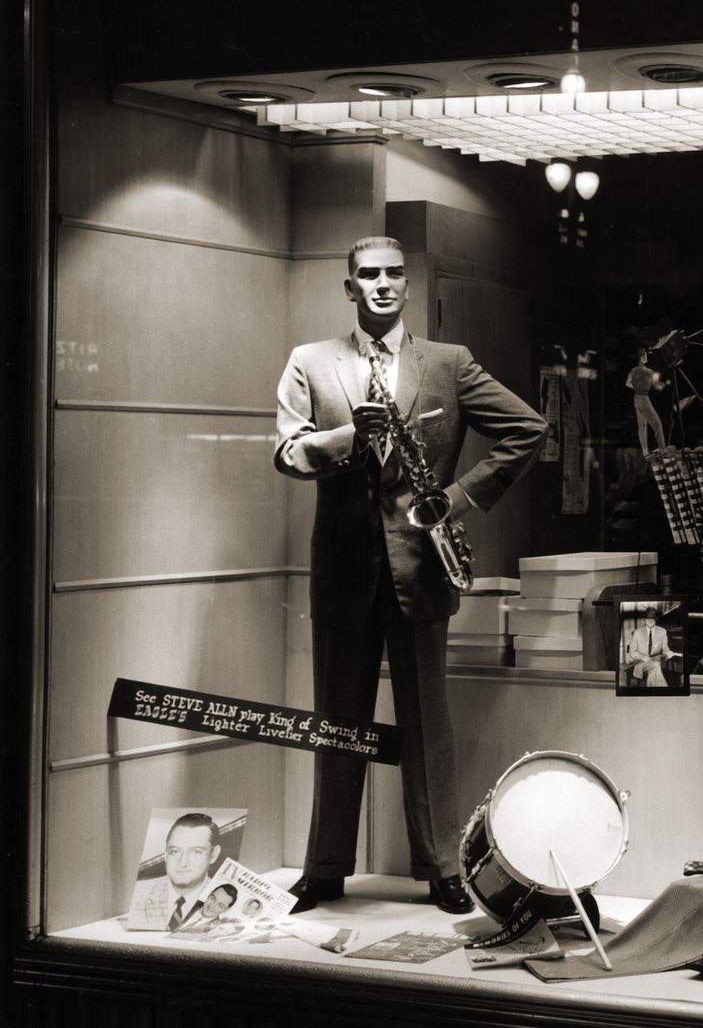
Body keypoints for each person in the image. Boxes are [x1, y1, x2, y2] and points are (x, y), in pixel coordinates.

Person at [274, 235, 548, 914]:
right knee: (337, 719)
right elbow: (286, 452)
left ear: (408, 285)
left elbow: (529, 429)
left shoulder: (449, 364)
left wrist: (453, 500)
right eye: (368, 274)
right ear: (349, 287)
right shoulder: (311, 360)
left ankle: (443, 868)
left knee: (429, 722)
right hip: (342, 568)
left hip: (422, 566)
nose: (383, 284)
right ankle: (325, 867)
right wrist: (350, 438)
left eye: (394, 274)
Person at [127, 812, 223, 931]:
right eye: (175, 851)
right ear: (166, 855)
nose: (183, 863)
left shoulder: (226, 901)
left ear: (214, 855)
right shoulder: (137, 893)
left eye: (196, 852)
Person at [622, 606, 671, 688]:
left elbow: (665, 648)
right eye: (648, 618)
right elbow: (632, 652)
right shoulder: (637, 632)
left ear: (656, 619)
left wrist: (664, 655)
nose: (650, 620)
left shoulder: (662, 631)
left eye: (652, 618)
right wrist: (643, 657)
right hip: (640, 663)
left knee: (654, 667)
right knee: (656, 665)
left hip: (655, 661)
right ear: (645, 619)